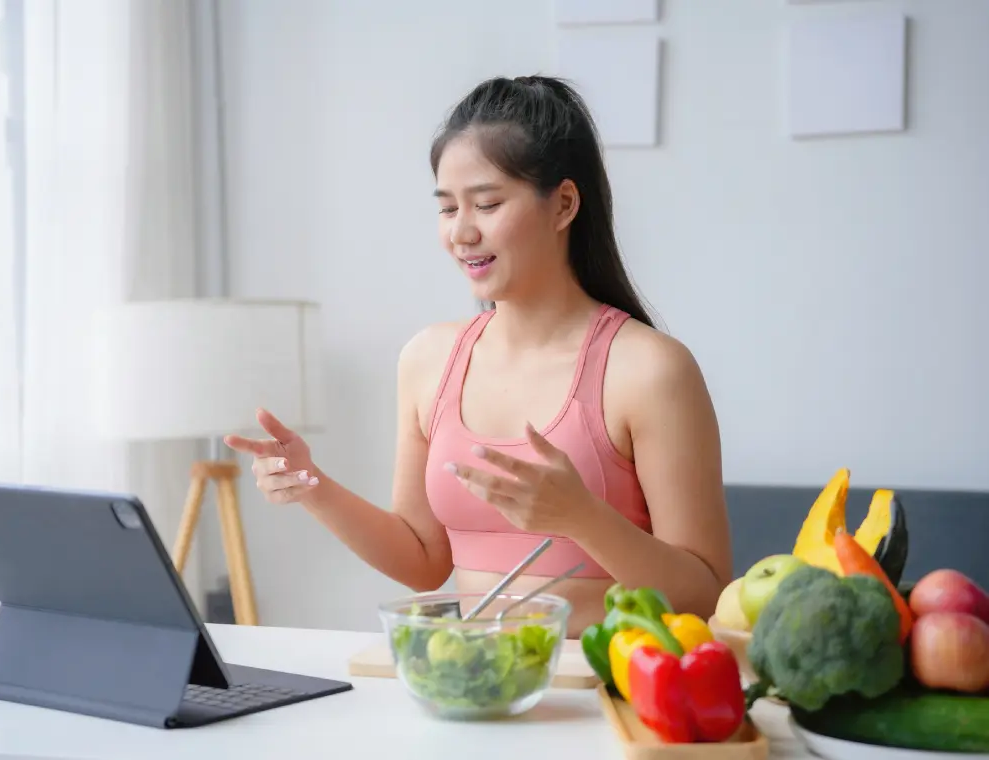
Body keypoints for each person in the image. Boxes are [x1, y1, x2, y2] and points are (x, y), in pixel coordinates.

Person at [224, 75, 732, 637]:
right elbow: (422, 560)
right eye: (447, 209)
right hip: (478, 687)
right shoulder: (428, 359)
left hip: (604, 695)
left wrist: (581, 517)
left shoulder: (649, 370)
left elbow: (704, 595)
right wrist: (311, 485)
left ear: (563, 204)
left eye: (487, 204)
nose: (462, 232)